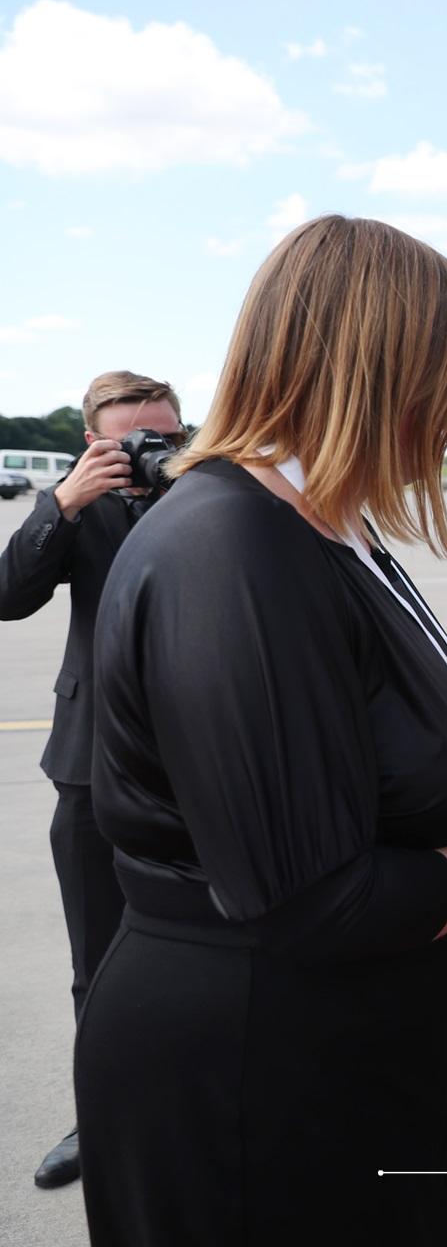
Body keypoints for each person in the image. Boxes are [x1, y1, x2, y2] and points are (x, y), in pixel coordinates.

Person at [79, 215, 447, 1245]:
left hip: (346, 1051)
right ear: (382, 364)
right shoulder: (233, 548)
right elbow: (311, 901)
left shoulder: (327, 523)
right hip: (254, 1073)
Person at [0, 370, 183, 1190]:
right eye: (130, 438)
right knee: (98, 958)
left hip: (205, 763)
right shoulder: (80, 506)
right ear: (92, 442)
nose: (150, 451)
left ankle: (199, 1104)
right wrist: (65, 504)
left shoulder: (207, 495)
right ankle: (103, 1113)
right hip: (92, 761)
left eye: (166, 436)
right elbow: (9, 597)